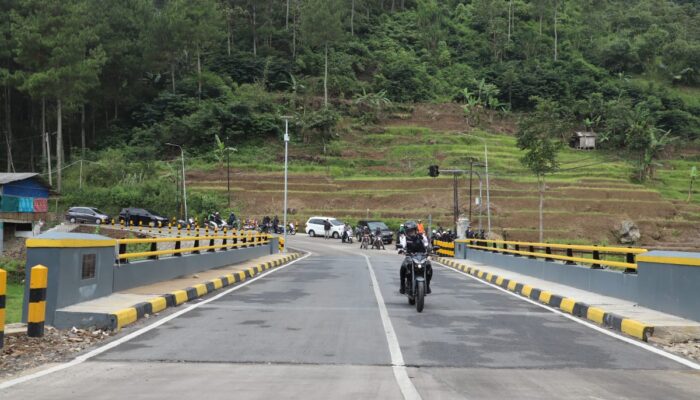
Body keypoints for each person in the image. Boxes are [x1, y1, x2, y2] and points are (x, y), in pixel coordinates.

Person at [399, 221, 433, 294]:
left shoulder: (421, 236)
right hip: (409, 257)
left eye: (412, 230)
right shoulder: (405, 238)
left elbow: (427, 244)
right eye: (409, 231)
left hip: (421, 256)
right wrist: (401, 249)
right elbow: (402, 245)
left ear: (415, 230)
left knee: (429, 267)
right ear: (406, 232)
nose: (411, 232)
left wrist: (430, 250)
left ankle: (427, 285)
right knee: (403, 268)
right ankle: (402, 286)